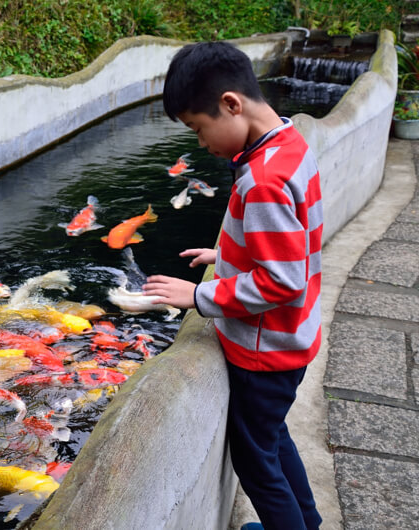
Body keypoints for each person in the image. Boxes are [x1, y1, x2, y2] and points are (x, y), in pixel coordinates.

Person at [142, 41, 323, 530]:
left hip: (265, 352)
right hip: (295, 338)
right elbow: (291, 242)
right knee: (272, 438)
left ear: (230, 104)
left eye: (200, 130)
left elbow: (281, 281)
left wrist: (198, 295)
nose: (202, 144)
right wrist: (226, 255)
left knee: (256, 461)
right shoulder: (289, 143)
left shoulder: (260, 179)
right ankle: (307, 523)